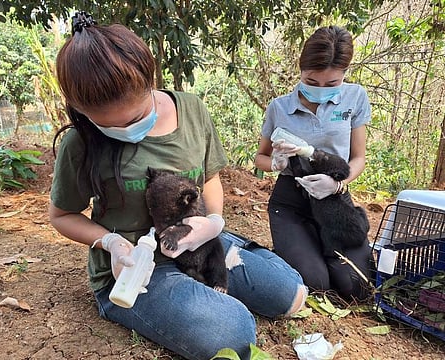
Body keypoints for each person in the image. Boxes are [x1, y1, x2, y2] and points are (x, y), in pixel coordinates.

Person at [49, 11, 307, 360]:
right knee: (235, 336)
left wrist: (212, 223)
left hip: (196, 239)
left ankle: (219, 265)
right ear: (82, 110)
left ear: (149, 82)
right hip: (134, 266)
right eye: (112, 125)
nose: (129, 131)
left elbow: (211, 177)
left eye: (137, 116)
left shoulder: (190, 109)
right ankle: (156, 297)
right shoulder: (79, 144)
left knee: (290, 294)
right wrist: (109, 243)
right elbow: (62, 215)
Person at [254, 25, 372, 301]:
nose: (320, 90)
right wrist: (276, 164)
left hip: (334, 201)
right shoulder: (279, 108)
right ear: (301, 71)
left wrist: (337, 184)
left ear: (344, 75)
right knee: (315, 284)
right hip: (291, 201)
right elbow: (260, 157)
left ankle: (323, 247)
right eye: (311, 81)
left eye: (331, 84)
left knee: (357, 286)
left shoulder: (355, 98)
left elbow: (359, 158)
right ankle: (300, 247)